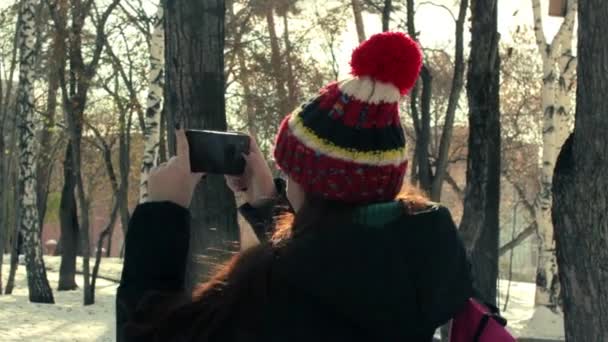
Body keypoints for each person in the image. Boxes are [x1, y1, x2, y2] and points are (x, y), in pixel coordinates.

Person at [116, 31, 474, 342]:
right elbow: (343, 261)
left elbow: (146, 332)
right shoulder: (425, 257)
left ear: (305, 182)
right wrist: (268, 207)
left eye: (290, 173)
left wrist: (162, 213)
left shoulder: (265, 288)